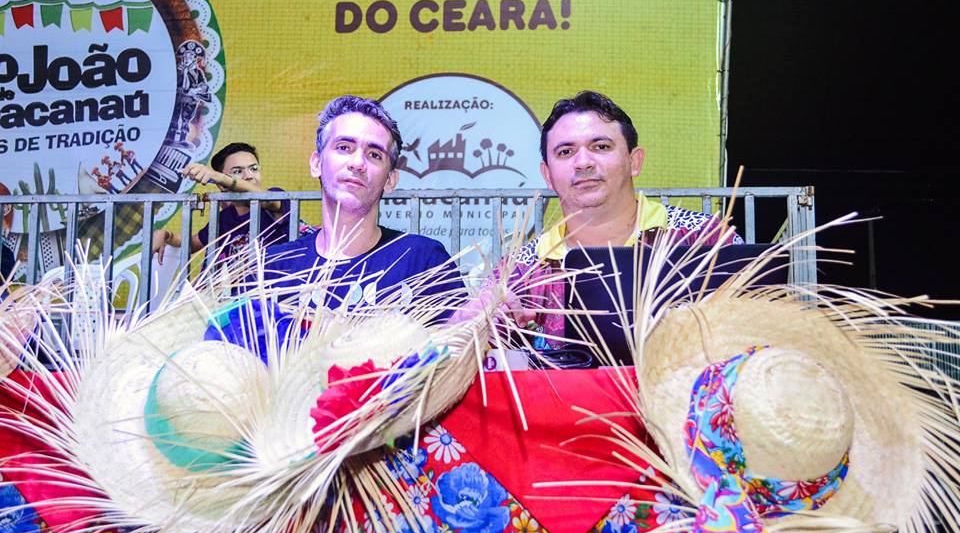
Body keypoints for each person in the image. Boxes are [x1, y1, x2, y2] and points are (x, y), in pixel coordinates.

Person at [506, 90, 743, 345]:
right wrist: (484, 324)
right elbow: (477, 347)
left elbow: (760, 329)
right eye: (565, 152)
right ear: (547, 175)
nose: (583, 162)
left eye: (601, 146)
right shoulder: (520, 272)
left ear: (634, 161)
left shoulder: (704, 239)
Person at [260, 95, 461, 310]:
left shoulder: (423, 261)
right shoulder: (272, 268)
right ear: (317, 163)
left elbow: (463, 331)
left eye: (374, 154)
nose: (357, 163)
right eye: (344, 147)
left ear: (390, 180)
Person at [151, 142, 291, 265]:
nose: (249, 176)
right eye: (237, 171)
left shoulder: (275, 199)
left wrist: (219, 177)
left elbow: (265, 199)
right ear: (221, 186)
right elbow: (191, 244)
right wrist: (166, 235)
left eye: (254, 169)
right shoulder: (224, 218)